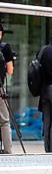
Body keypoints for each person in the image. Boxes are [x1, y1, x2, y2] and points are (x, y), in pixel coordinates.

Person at [0, 24, 14, 154]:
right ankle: (8, 150)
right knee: (4, 121)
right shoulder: (5, 47)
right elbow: (10, 71)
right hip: (0, 88)